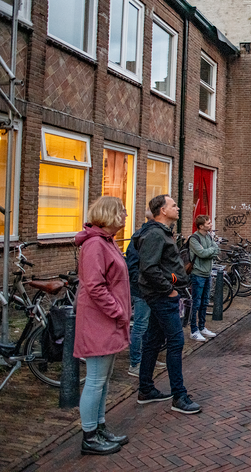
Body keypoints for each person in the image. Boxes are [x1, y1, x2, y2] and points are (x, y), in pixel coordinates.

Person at [74, 196, 132, 455]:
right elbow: (95, 286)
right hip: (100, 321)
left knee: (103, 379)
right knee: (96, 380)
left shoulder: (106, 242)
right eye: (121, 212)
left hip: (108, 321)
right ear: (109, 215)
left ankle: (99, 427)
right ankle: (89, 437)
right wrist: (118, 312)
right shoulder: (95, 244)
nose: (126, 216)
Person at [135, 194, 200, 414]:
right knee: (175, 341)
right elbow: (149, 268)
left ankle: (146, 389)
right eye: (173, 205)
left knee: (153, 340)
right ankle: (179, 397)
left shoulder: (160, 232)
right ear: (162, 210)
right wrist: (169, 289)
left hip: (160, 295)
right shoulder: (155, 234)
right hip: (162, 297)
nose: (178, 207)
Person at [126, 209, 167, 377]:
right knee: (140, 325)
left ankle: (147, 357)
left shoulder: (157, 235)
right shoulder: (141, 236)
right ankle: (135, 363)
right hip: (143, 290)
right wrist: (141, 283)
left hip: (153, 290)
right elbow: (133, 263)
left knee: (150, 326)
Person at [188, 215, 220, 342]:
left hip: (207, 273)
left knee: (205, 302)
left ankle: (202, 327)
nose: (210, 224)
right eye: (208, 223)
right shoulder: (194, 239)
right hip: (197, 274)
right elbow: (202, 253)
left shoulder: (208, 236)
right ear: (201, 226)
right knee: (196, 303)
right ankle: (193, 330)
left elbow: (216, 251)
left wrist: (209, 251)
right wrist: (210, 251)